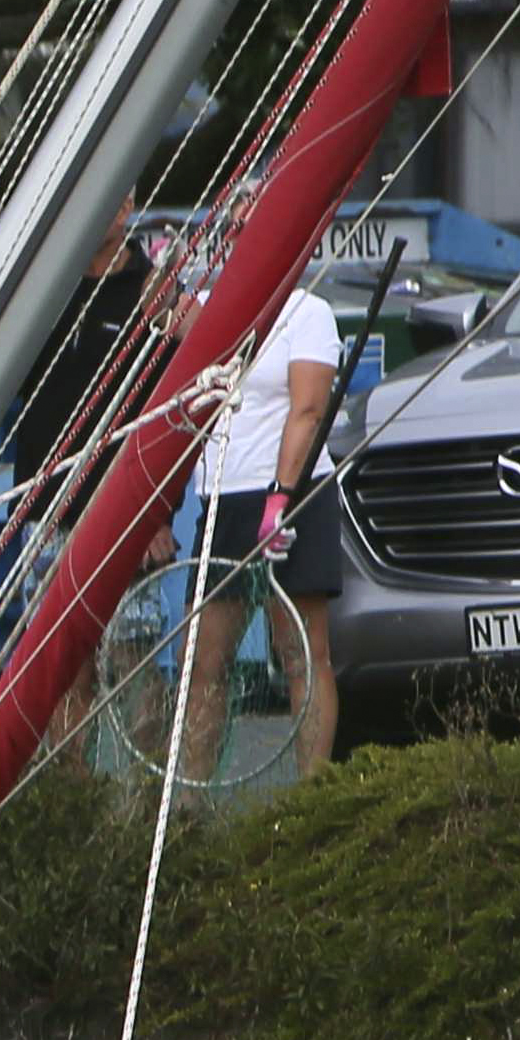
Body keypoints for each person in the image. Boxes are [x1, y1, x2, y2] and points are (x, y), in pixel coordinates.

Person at [174, 266, 348, 789]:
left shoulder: (307, 310)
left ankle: (312, 794)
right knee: (203, 659)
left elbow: (309, 408)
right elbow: (154, 312)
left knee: (301, 651)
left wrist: (281, 495)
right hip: (225, 497)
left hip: (295, 495)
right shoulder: (206, 308)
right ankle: (192, 797)